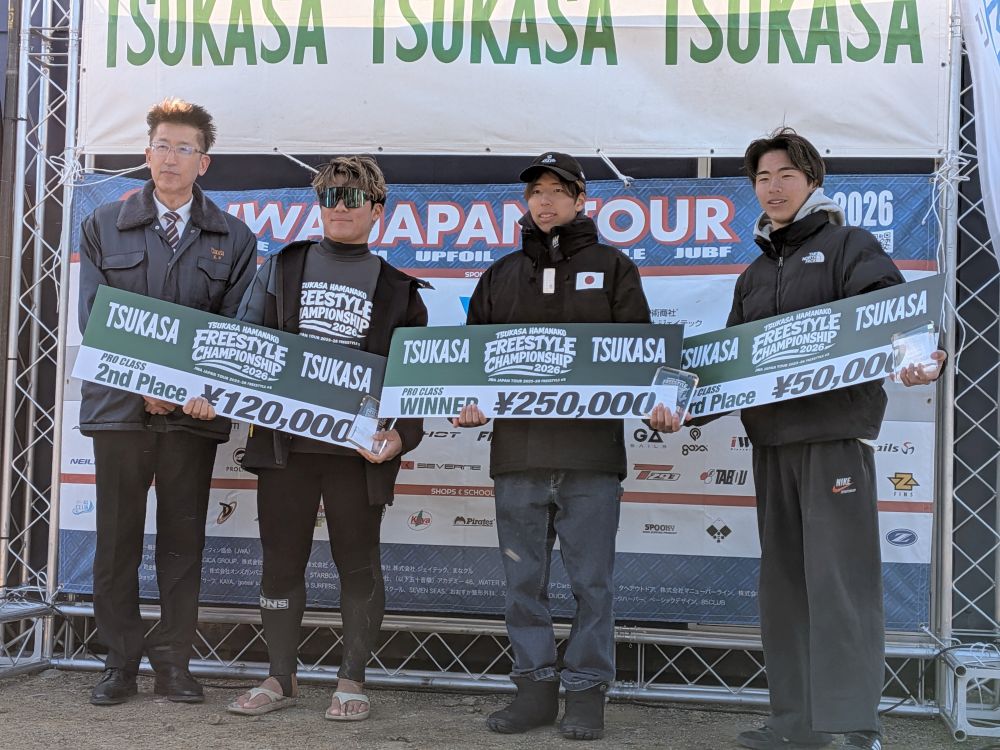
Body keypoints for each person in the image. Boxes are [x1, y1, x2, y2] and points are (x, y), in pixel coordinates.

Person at [672, 128, 944, 750]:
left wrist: (917, 357)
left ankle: (854, 725)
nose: (772, 188)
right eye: (762, 179)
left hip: (835, 439)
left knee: (839, 586)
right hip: (771, 444)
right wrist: (683, 406)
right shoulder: (752, 273)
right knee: (785, 588)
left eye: (785, 176)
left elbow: (896, 315)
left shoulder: (850, 245)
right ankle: (796, 724)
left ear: (812, 181)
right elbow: (729, 363)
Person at [452, 152, 672, 740]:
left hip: (592, 459)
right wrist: (467, 402)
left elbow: (642, 358)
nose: (544, 201)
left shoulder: (615, 267)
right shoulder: (499, 274)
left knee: (591, 585)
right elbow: (470, 364)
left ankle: (587, 694)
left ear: (580, 199)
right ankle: (533, 690)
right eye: (535, 192)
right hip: (517, 458)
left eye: (556, 190)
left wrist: (660, 397)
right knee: (523, 584)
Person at [227, 155, 428, 721]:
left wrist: (403, 437)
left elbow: (414, 383)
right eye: (329, 196)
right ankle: (280, 677)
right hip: (284, 446)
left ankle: (351, 680)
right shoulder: (281, 266)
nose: (339, 207)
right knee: (280, 562)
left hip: (358, 455)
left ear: (377, 210)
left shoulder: (401, 290)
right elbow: (242, 342)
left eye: (352, 197)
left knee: (358, 565)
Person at [78, 98, 259, 705]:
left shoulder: (234, 237)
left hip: (193, 418)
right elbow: (95, 318)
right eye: (162, 145)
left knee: (182, 545)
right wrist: (145, 386)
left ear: (203, 162)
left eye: (185, 148)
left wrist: (186, 393)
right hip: (120, 411)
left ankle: (175, 663)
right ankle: (118, 663)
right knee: (116, 542)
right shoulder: (103, 224)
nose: (171, 158)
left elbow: (235, 329)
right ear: (146, 153)